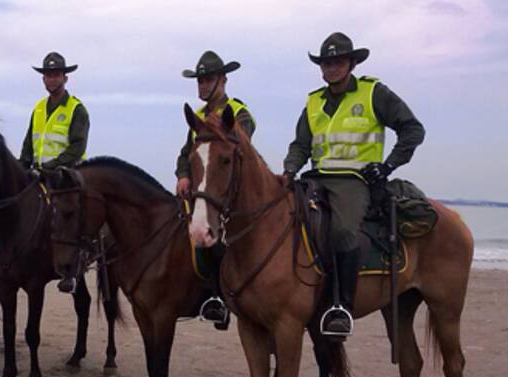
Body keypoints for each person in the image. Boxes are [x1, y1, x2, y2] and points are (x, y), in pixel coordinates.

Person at [282, 32, 425, 337]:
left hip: (354, 180)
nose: (332, 67)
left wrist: (388, 165)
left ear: (351, 64)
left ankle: (341, 307)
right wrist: (290, 169)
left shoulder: (373, 93)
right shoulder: (313, 101)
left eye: (338, 62)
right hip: (315, 177)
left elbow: (412, 129)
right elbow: (301, 145)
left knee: (343, 230)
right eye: (326, 63)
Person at [177, 51, 256, 330]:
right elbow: (187, 153)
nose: (202, 85)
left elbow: (236, 151)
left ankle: (221, 296)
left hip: (230, 190)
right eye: (199, 80)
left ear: (223, 80)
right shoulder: (198, 117)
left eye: (208, 79)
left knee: (221, 236)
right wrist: (183, 176)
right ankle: (199, 294)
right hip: (202, 188)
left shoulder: (239, 113)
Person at [19, 52, 89, 171]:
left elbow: (77, 148)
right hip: (40, 174)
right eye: (48, 76)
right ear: (43, 79)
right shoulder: (39, 108)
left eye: (56, 75)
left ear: (65, 79)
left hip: (68, 175)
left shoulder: (76, 109)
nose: (52, 80)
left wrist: (53, 165)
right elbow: (28, 145)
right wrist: (21, 167)